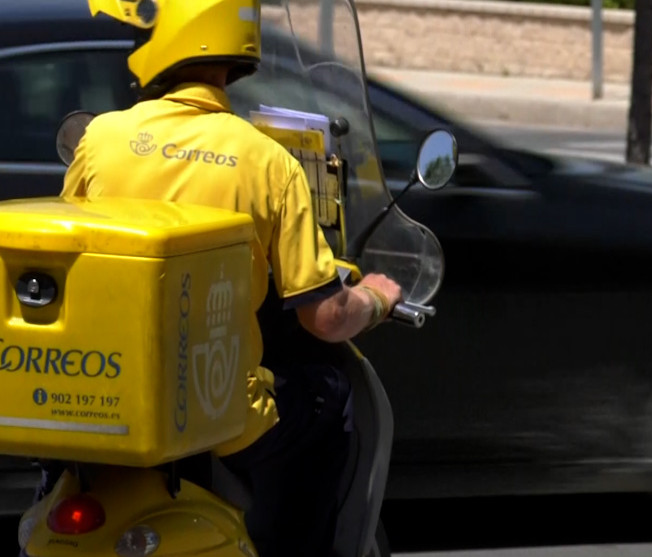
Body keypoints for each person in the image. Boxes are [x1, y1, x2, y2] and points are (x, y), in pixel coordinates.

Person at [43, 0, 402, 554]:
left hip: (104, 395)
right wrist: (375, 298)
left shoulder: (101, 140)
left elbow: (65, 254)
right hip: (216, 414)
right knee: (331, 399)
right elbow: (327, 317)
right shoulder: (268, 162)